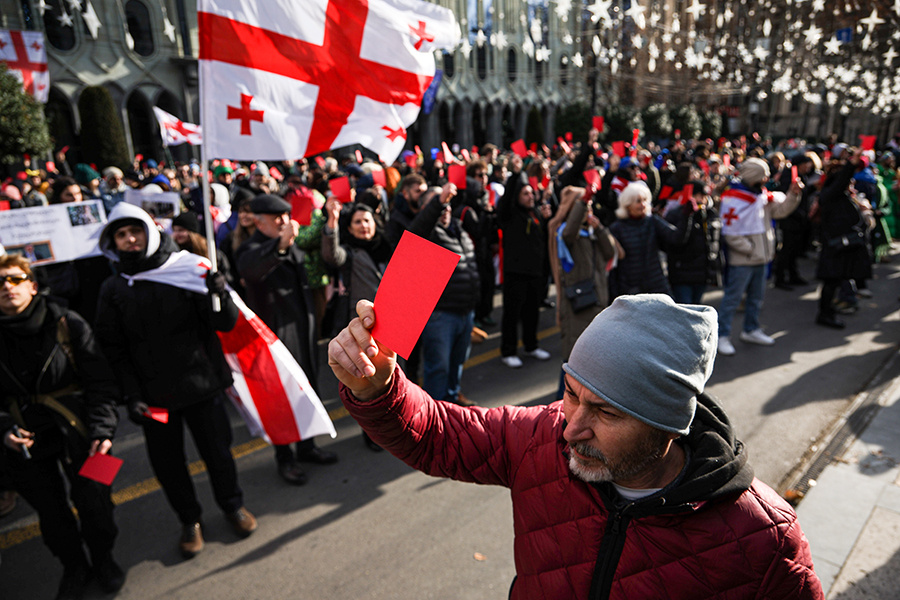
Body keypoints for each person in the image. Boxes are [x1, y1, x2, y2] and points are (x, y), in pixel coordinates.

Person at [327, 294, 824, 600]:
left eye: (606, 413)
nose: (571, 429)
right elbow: (438, 435)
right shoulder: (540, 436)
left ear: (669, 426)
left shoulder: (765, 542)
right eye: (570, 393)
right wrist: (377, 387)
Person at [94, 203, 257, 559]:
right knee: (168, 465)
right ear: (113, 242)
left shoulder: (187, 269)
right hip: (154, 400)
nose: (130, 239)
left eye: (134, 231)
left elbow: (224, 324)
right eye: (121, 235)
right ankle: (190, 520)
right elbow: (113, 349)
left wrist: (219, 292)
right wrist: (131, 395)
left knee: (218, 454)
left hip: (204, 386)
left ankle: (232, 506)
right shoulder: (113, 288)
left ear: (150, 232)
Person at [0, 255, 124, 600]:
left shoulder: (67, 322)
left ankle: (104, 560)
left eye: (14, 279)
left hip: (82, 431)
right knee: (51, 514)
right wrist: (4, 428)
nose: (7, 288)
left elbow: (101, 382)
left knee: (97, 503)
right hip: (25, 439)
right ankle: (75, 567)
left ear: (32, 285)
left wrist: (103, 430)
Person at [235, 195, 338, 485]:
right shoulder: (251, 249)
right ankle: (286, 458)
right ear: (259, 221)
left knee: (306, 387)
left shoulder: (291, 245)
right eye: (277, 218)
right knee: (278, 397)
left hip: (302, 328)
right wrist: (280, 245)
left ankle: (307, 446)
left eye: (285, 216)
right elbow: (253, 270)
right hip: (275, 333)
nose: (284, 222)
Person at [716, 158, 802, 356]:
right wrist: (751, 249)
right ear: (755, 176)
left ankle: (751, 329)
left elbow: (781, 211)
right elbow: (730, 233)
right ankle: (722, 335)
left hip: (762, 258)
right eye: (763, 175)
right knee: (732, 299)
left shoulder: (762, 197)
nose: (767, 179)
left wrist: (793, 195)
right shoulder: (734, 197)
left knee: (756, 298)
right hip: (744, 260)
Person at [409, 185, 479, 407]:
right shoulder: (427, 233)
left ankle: (451, 408)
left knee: (457, 364)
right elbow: (418, 228)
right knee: (438, 369)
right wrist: (436, 203)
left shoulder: (459, 228)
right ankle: (434, 417)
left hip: (465, 311)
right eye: (439, 202)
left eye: (448, 201)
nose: (445, 206)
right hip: (440, 315)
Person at [547, 185, 617, 397]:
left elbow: (611, 252)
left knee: (590, 364)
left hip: (596, 303)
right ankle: (559, 413)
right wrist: (583, 201)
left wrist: (601, 229)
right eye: (583, 207)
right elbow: (569, 231)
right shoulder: (565, 232)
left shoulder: (591, 232)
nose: (588, 211)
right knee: (573, 364)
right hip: (578, 306)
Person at [497, 173, 553, 368]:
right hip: (516, 273)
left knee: (532, 312)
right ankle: (508, 350)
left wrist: (546, 220)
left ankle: (531, 345)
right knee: (512, 314)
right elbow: (505, 201)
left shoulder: (535, 213)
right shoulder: (510, 214)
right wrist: (517, 172)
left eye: (531, 193)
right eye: (525, 193)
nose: (530, 196)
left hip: (535, 272)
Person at [814, 149, 873, 329]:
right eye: (849, 181)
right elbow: (840, 182)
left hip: (843, 247)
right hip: (834, 247)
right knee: (831, 283)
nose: (851, 184)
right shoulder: (831, 195)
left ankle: (831, 310)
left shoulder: (844, 197)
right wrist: (850, 165)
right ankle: (825, 314)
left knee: (836, 282)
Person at [608, 182, 688, 298]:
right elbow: (614, 265)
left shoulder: (652, 221)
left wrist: (686, 216)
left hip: (657, 285)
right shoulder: (617, 228)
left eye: (645, 200)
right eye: (638, 201)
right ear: (627, 205)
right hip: (631, 289)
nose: (643, 204)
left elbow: (675, 237)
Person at [664, 182, 723, 304]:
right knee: (685, 312)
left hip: (703, 274)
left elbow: (714, 242)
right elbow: (676, 241)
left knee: (696, 310)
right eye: (697, 195)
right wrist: (687, 216)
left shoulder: (711, 214)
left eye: (704, 195)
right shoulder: (676, 215)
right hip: (682, 275)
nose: (701, 199)